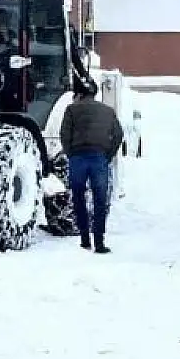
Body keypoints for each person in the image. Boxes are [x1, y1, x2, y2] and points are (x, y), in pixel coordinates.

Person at [59, 80, 124, 254]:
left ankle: (85, 239)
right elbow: (118, 134)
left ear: (79, 94)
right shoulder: (108, 111)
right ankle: (100, 242)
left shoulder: (71, 110)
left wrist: (70, 153)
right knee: (100, 201)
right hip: (99, 158)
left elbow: (64, 134)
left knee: (78, 198)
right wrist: (108, 155)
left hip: (78, 158)